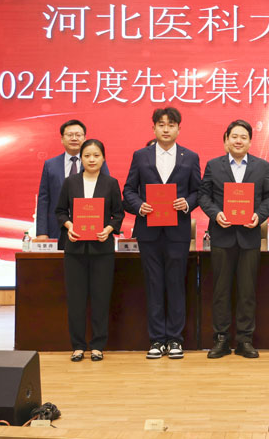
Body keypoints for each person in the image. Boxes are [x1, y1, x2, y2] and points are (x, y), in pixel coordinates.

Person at [122, 107, 201, 360]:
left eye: (171, 125)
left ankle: (175, 339)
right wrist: (139, 206)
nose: (166, 129)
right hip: (149, 231)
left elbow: (198, 191)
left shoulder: (190, 157)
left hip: (178, 231)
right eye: (161, 124)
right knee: (154, 284)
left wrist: (187, 203)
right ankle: (157, 339)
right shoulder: (140, 156)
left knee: (176, 284)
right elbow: (128, 190)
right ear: (154, 128)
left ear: (179, 128)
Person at [198, 120, 269, 359]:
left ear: (250, 141)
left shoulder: (262, 166)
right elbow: (203, 196)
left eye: (243, 137)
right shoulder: (213, 165)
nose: (238, 141)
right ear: (227, 139)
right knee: (221, 290)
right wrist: (215, 214)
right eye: (234, 136)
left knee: (247, 291)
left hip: (249, 237)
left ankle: (244, 340)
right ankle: (221, 339)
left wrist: (259, 216)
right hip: (222, 236)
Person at [55, 139, 124, 362]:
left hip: (102, 250)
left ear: (103, 158)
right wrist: (69, 226)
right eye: (87, 156)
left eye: (96, 155)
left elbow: (118, 214)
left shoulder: (111, 183)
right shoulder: (70, 182)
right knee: (76, 300)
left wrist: (109, 229)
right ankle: (77, 346)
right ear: (81, 159)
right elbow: (60, 211)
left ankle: (97, 346)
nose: (91, 159)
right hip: (74, 250)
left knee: (100, 299)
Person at [36, 119, 109, 240]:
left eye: (78, 135)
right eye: (70, 135)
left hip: (90, 227)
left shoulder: (96, 163)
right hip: (57, 228)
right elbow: (44, 199)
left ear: (84, 138)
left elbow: (106, 193)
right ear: (62, 139)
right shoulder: (50, 165)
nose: (74, 138)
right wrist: (41, 232)